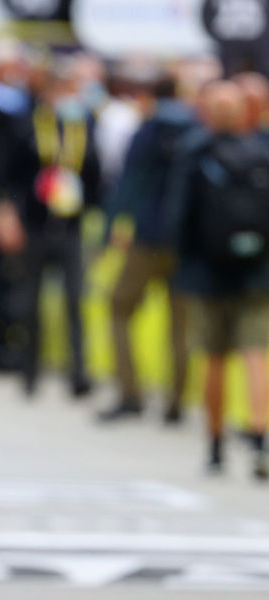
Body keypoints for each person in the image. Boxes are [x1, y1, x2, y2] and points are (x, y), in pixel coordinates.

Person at [167, 80, 269, 479]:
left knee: (214, 359)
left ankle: (215, 445)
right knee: (256, 354)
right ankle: (259, 436)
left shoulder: (195, 152)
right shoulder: (262, 152)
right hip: (258, 272)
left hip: (207, 272)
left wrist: (183, 264)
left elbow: (179, 215)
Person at [0, 57, 102, 397]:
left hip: (70, 226)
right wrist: (7, 216)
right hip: (34, 225)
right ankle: (29, 372)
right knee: (31, 301)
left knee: (75, 300)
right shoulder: (26, 124)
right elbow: (6, 176)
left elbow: (95, 175)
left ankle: (78, 374)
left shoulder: (83, 125)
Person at [99, 73, 195, 424]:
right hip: (184, 244)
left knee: (119, 308)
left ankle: (130, 393)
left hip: (147, 239)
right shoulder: (195, 131)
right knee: (179, 325)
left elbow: (129, 185)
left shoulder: (147, 131)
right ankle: (176, 402)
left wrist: (109, 231)